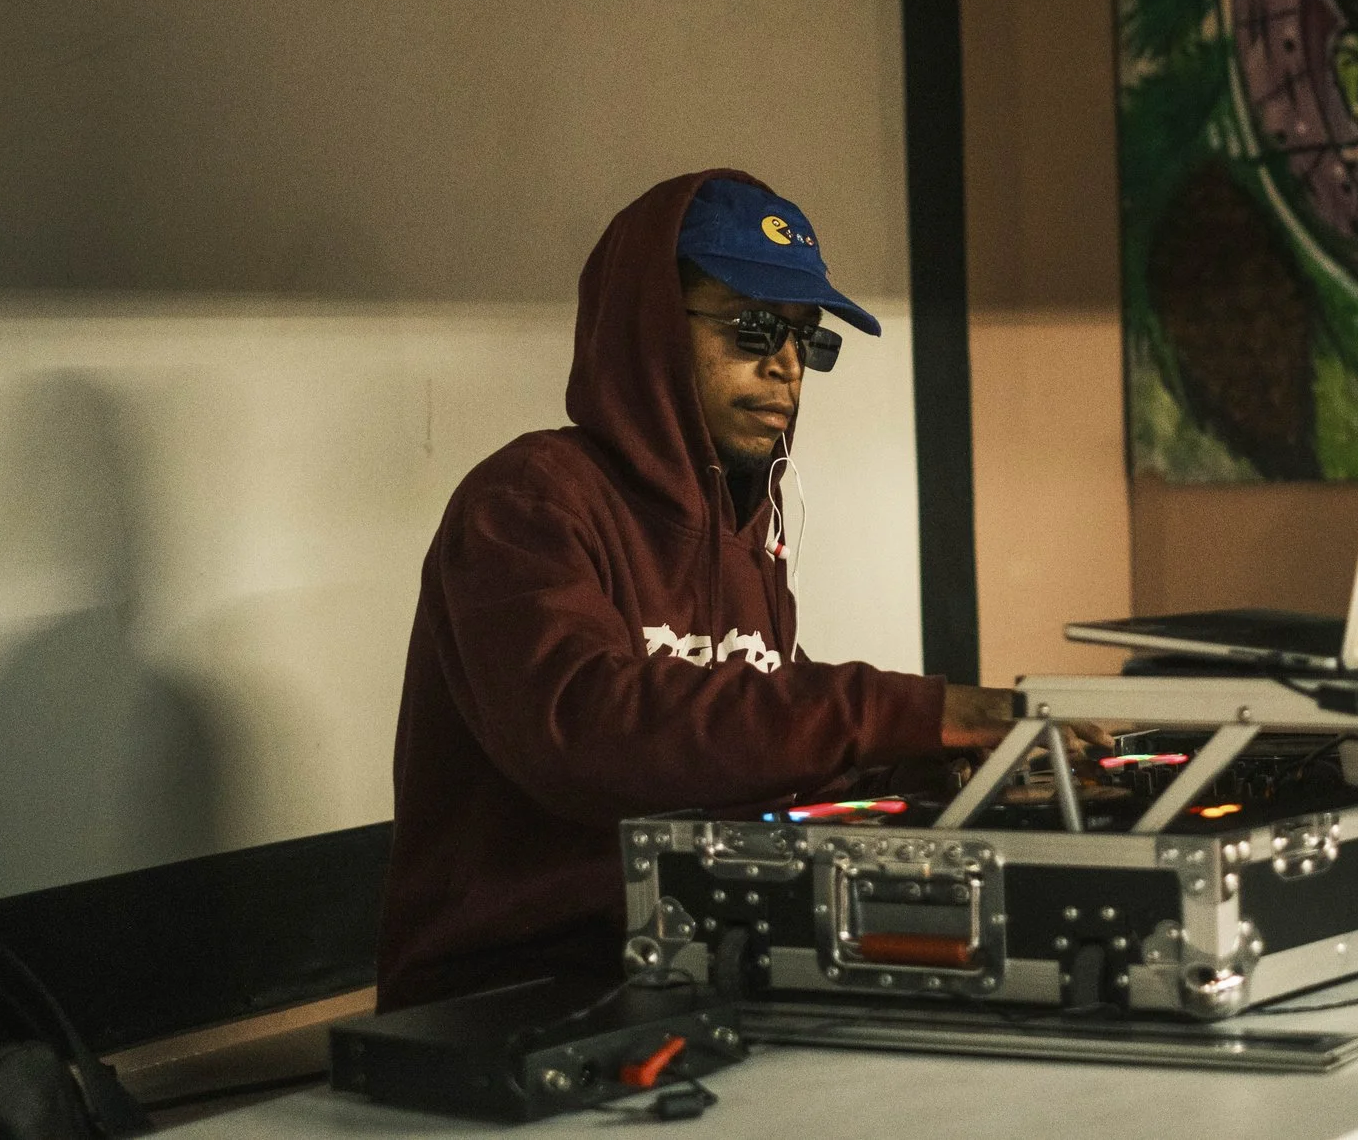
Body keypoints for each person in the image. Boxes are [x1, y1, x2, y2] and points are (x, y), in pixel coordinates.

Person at [376, 169, 1017, 1008]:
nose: (787, 365)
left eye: (807, 338)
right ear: (648, 327)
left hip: (690, 969)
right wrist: (903, 708)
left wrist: (940, 766)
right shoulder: (526, 502)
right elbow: (589, 727)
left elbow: (749, 750)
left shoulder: (748, 532)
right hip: (514, 991)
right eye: (754, 328)